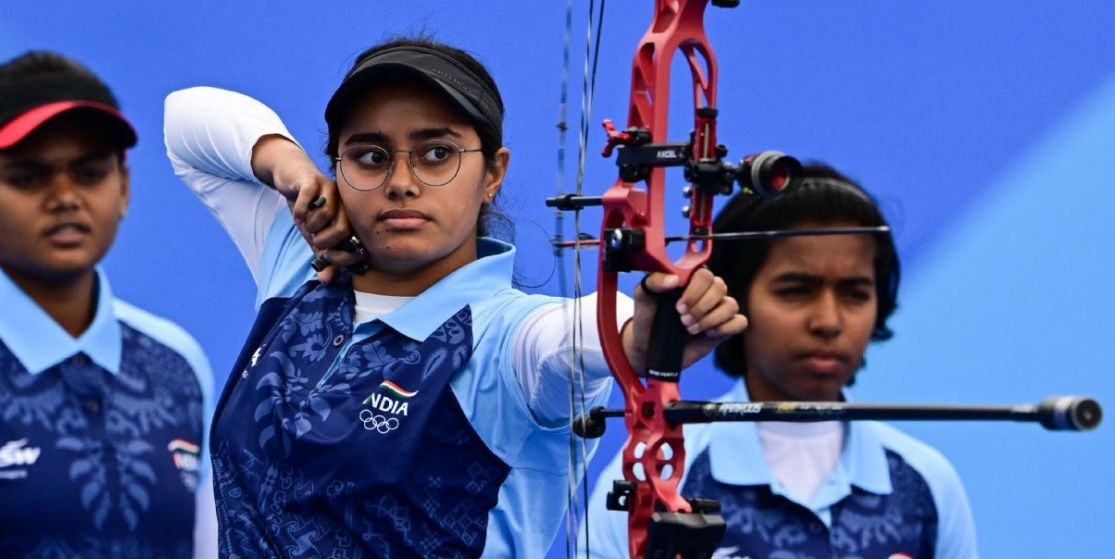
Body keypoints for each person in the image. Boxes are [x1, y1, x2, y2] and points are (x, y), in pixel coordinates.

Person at [163, 35, 747, 558]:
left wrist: (641, 337)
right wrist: (291, 172)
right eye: (369, 156)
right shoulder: (298, 263)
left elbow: (579, 337)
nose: (401, 181)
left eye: (436, 153)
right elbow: (185, 120)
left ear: (493, 172)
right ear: (336, 167)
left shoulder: (507, 339)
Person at [583, 164, 978, 558]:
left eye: (855, 293)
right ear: (733, 297)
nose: (828, 321)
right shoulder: (654, 476)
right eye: (795, 291)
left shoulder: (926, 483)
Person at [0, 51, 217, 558]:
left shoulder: (179, 361)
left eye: (89, 173)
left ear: (123, 187)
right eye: (29, 177)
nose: (65, 197)